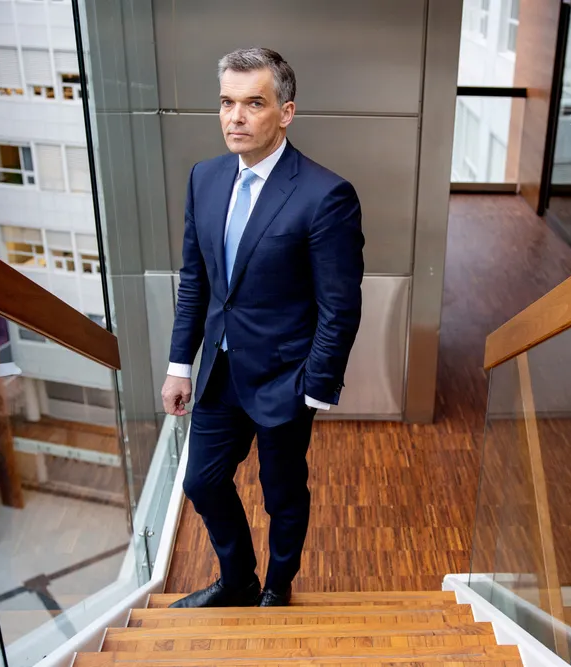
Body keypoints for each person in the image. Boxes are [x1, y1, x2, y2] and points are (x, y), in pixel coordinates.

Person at [160, 47, 364, 608]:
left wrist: (315, 387)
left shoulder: (326, 195)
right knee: (201, 481)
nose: (236, 117)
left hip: (285, 378)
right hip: (219, 372)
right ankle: (239, 580)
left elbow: (339, 305)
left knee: (282, 495)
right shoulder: (204, 178)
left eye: (254, 103)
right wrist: (180, 365)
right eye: (227, 102)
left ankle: (277, 587)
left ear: (286, 112)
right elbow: (196, 281)